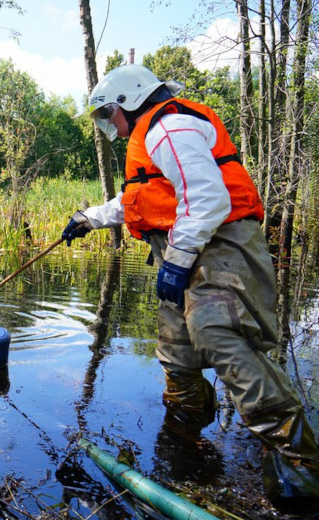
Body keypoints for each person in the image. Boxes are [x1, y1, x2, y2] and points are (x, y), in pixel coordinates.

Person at [62, 64, 319, 506]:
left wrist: (178, 262)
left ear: (128, 99)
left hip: (219, 247)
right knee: (177, 348)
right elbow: (145, 197)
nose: (111, 126)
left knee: (218, 334)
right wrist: (90, 218)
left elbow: (209, 199)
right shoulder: (152, 134)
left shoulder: (169, 125)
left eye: (109, 114)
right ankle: (186, 432)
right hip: (184, 249)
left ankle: (297, 458)